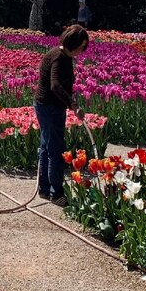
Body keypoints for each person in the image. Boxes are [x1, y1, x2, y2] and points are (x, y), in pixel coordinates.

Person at [34, 24, 90, 206]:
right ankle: (56, 193)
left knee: (46, 146)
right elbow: (55, 85)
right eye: (81, 47)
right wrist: (72, 104)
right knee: (55, 150)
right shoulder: (59, 58)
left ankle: (44, 188)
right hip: (50, 107)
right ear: (73, 43)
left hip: (45, 105)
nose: (82, 51)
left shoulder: (57, 53)